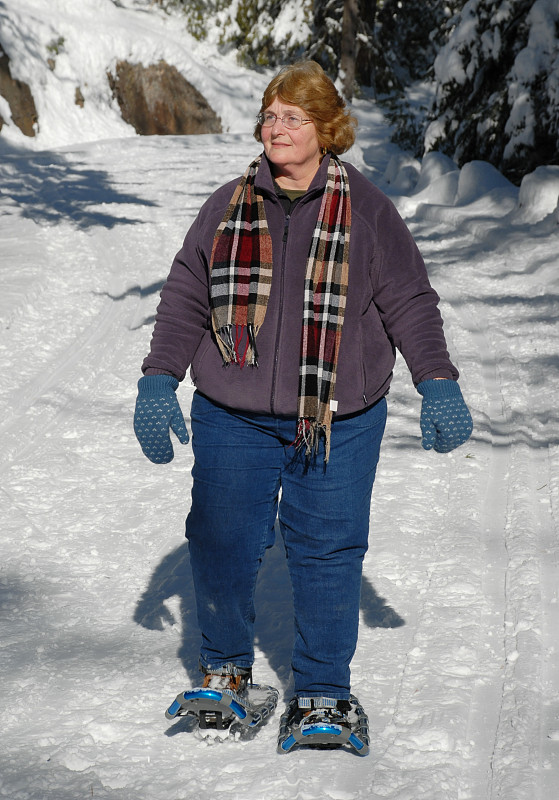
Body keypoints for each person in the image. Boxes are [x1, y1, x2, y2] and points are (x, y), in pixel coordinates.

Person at [133, 60, 473, 752]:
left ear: (326, 128)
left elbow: (407, 299)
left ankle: (322, 688)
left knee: (327, 550)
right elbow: (186, 295)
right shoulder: (228, 204)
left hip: (338, 418)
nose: (276, 126)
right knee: (221, 539)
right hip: (233, 410)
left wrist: (435, 379)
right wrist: (157, 378)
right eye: (269, 114)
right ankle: (226, 673)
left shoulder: (369, 210)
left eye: (293, 115)